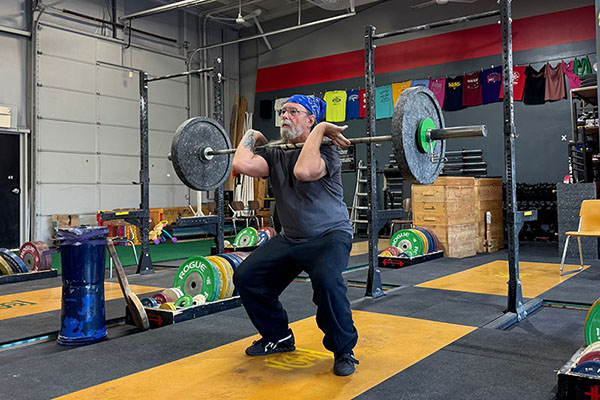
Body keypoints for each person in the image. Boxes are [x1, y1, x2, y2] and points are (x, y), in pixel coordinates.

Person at [232, 94, 359, 376]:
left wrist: (322, 131)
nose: (285, 116)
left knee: (327, 283)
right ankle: (278, 337)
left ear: (311, 119)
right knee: (246, 277)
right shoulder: (276, 153)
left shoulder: (327, 152)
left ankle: (343, 350)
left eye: (293, 112)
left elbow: (303, 171)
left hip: (328, 237)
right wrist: (251, 135)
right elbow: (241, 164)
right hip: (290, 238)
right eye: (283, 111)